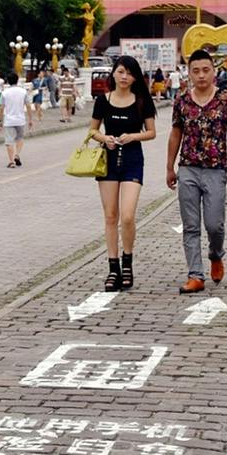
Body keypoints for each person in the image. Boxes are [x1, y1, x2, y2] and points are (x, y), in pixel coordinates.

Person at [166, 48, 227, 293]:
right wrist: (169, 167)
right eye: (196, 71)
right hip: (188, 169)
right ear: (189, 73)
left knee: (214, 224)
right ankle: (195, 274)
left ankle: (215, 254)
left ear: (214, 72)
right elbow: (175, 134)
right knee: (190, 224)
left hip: (216, 169)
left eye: (206, 70)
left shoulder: (226, 99)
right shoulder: (181, 100)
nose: (201, 75)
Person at [89, 54, 157, 292]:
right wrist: (104, 138)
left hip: (132, 160)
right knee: (110, 216)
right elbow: (92, 130)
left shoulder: (141, 101)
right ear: (113, 74)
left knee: (127, 215)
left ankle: (128, 262)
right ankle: (113, 267)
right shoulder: (103, 100)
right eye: (120, 71)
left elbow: (151, 132)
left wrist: (132, 136)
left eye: (129, 73)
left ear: (135, 76)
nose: (124, 76)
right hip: (108, 161)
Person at [2, 73, 28, 167]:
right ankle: (17, 154)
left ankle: (11, 161)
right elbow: (28, 105)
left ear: (8, 81)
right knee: (20, 138)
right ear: (17, 80)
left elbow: (1, 107)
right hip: (20, 119)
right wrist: (30, 119)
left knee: (9, 141)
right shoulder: (23, 91)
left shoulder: (5, 93)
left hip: (9, 120)